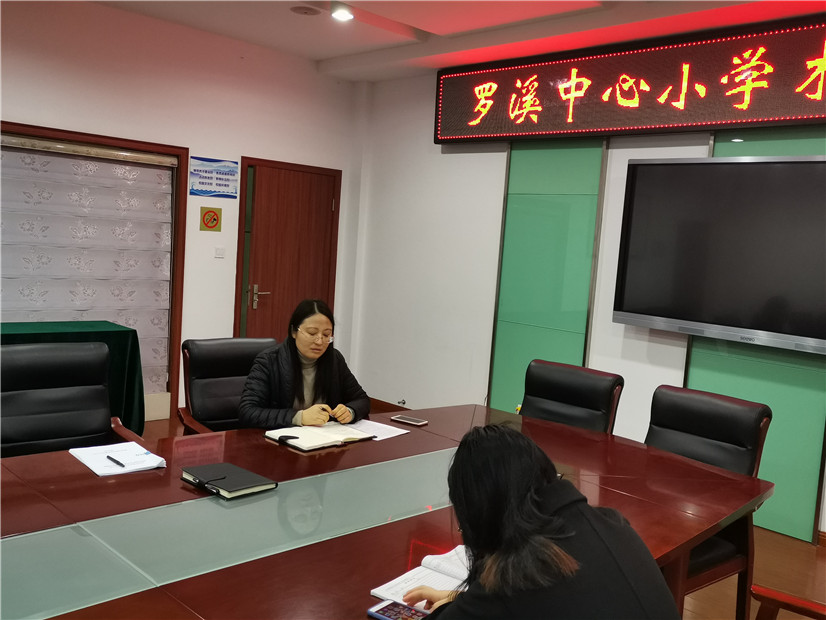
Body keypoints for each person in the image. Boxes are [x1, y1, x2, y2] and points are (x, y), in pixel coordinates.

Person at [403, 424, 681, 620]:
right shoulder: (611, 522)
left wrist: (454, 607)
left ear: (480, 512)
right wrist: (460, 599)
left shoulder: (514, 575)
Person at [239, 299, 369, 429]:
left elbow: (361, 399)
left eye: (326, 335)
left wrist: (350, 411)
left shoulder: (335, 359)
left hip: (324, 436)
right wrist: (299, 417)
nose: (319, 341)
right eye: (312, 333)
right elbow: (248, 412)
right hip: (282, 436)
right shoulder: (269, 361)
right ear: (294, 332)